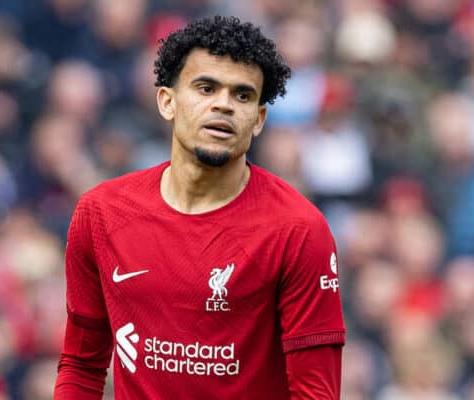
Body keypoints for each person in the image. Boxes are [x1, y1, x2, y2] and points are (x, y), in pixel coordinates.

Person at [53, 16, 345, 399]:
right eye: (206, 88)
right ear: (167, 102)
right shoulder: (101, 213)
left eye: (242, 95)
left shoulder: (299, 229)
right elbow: (82, 365)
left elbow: (315, 393)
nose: (223, 105)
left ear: (258, 120)